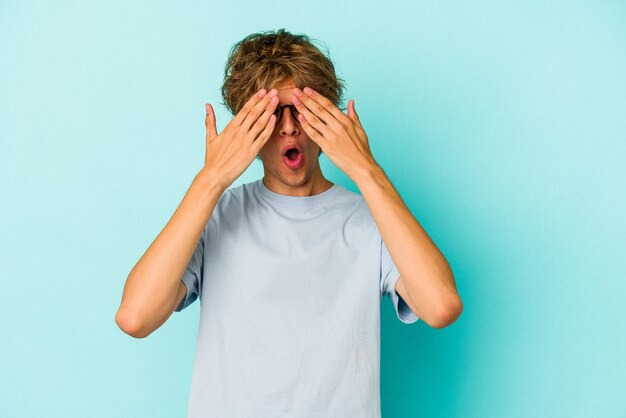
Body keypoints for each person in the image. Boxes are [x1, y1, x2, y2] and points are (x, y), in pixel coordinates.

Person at [115, 28, 463, 418]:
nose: (288, 127)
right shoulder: (216, 214)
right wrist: (210, 180)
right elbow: (135, 317)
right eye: (269, 114)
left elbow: (441, 306)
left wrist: (367, 171)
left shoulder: (373, 221)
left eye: (301, 109)